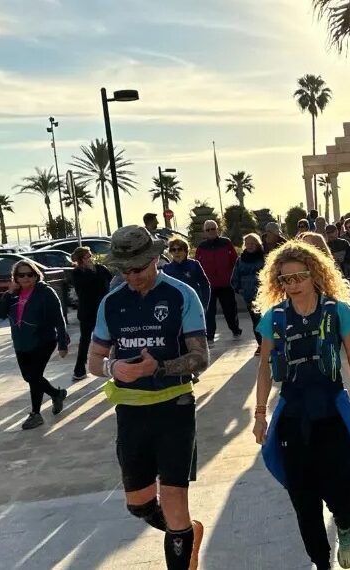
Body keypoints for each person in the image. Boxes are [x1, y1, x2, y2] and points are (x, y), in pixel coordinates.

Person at [86, 225, 210, 570]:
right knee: (139, 504)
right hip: (130, 412)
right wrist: (114, 369)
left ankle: (181, 541)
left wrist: (159, 368)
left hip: (175, 408)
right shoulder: (112, 302)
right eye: (123, 270)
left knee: (173, 498)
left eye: (138, 268)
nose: (131, 276)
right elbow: (94, 361)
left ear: (156, 258)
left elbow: (201, 358)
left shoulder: (181, 295)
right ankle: (186, 533)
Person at [251, 241, 350, 570]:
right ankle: (321, 562)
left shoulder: (337, 311)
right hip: (292, 416)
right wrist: (260, 414)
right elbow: (264, 368)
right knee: (302, 499)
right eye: (284, 280)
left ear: (315, 274)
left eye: (298, 277)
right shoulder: (273, 319)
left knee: (339, 487)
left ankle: (345, 527)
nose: (292, 285)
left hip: (331, 413)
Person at [0, 260, 70, 430]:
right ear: (15, 278)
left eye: (30, 274)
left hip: (43, 341)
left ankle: (36, 414)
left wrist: (62, 343)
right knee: (30, 377)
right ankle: (56, 394)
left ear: (36, 275)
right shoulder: (13, 295)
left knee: (34, 377)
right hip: (21, 343)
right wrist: (8, 292)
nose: (26, 278)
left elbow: (59, 319)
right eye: (21, 275)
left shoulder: (46, 292)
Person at [195, 220, 243, 342]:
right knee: (209, 312)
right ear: (204, 232)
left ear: (217, 229)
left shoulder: (226, 243)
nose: (211, 231)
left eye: (213, 229)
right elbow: (197, 265)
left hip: (226, 284)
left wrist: (235, 279)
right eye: (208, 230)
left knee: (230, 309)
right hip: (208, 286)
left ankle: (235, 330)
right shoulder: (201, 247)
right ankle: (209, 336)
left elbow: (235, 261)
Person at [70, 246, 112, 381]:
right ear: (81, 259)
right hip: (87, 311)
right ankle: (79, 369)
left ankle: (112, 365)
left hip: (103, 309)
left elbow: (110, 280)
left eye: (90, 255)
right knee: (85, 340)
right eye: (87, 256)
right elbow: (82, 286)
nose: (91, 258)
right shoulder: (77, 273)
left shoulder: (100, 269)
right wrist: (88, 270)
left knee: (110, 338)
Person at [231, 233, 266, 355]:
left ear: (258, 244)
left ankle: (268, 344)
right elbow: (235, 278)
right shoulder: (240, 260)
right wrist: (239, 290)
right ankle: (261, 344)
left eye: (253, 243)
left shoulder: (264, 258)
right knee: (256, 321)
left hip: (264, 294)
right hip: (249, 296)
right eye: (248, 244)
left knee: (266, 319)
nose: (250, 246)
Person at [163, 238, 212, 316]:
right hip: (174, 308)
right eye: (173, 250)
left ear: (185, 251)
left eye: (179, 249)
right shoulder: (166, 268)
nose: (176, 252)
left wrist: (204, 305)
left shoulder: (194, 265)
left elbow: (205, 286)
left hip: (194, 305)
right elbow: (163, 290)